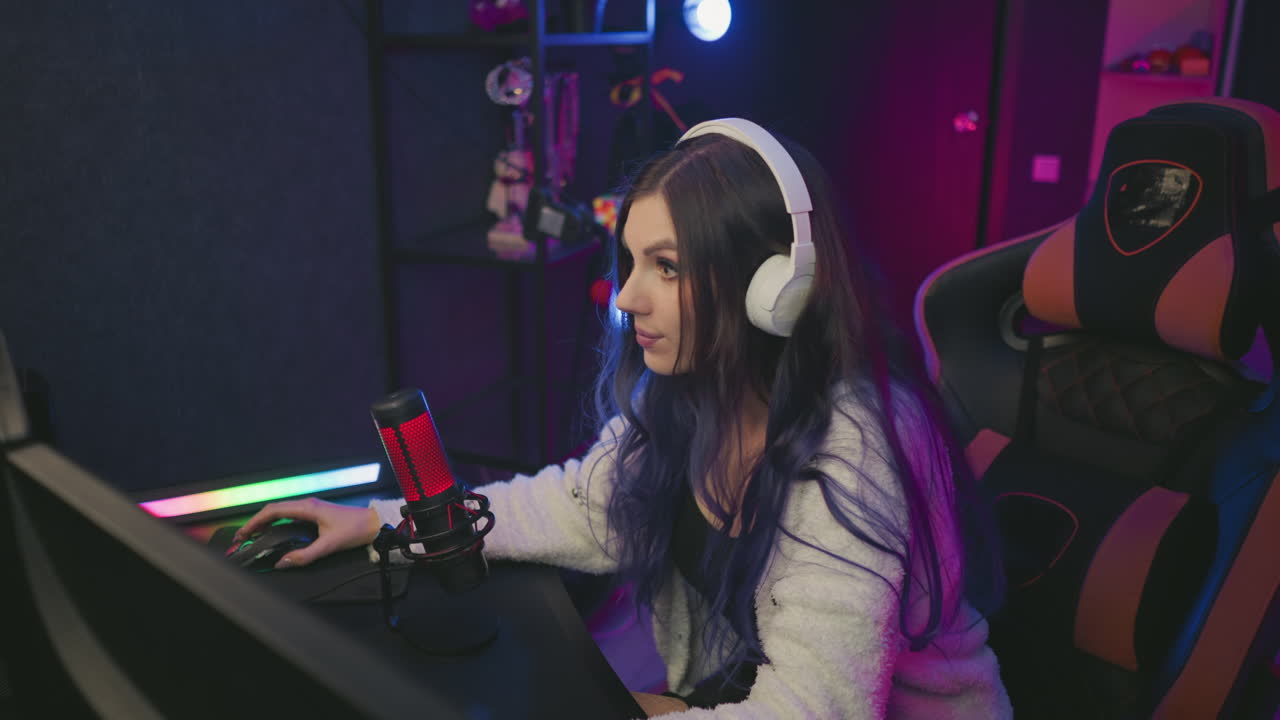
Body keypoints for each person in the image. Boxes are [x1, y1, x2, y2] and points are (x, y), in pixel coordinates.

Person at [236, 118, 1013, 718]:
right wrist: (383, 523)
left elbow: (820, 709)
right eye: (633, 260)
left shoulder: (853, 447)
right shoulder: (686, 393)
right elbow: (580, 505)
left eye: (667, 266)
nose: (628, 296)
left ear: (775, 284)